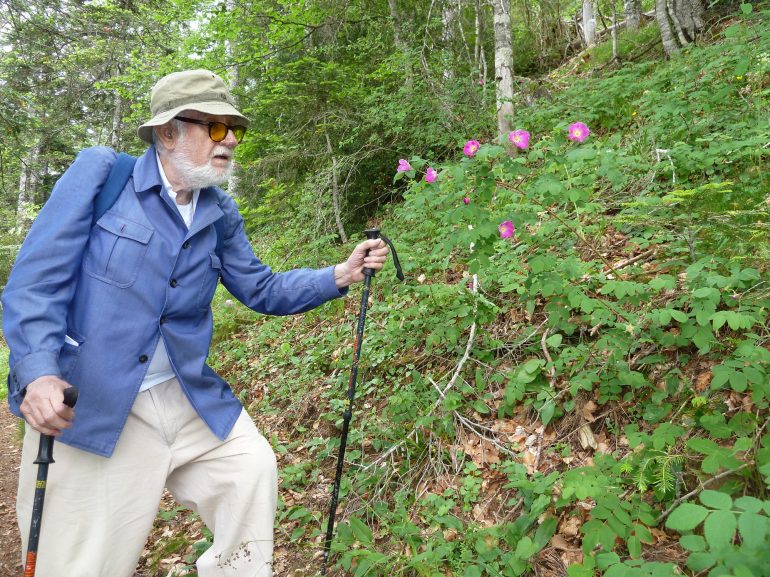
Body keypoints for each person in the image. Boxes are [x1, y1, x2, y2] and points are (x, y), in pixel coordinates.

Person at [2, 69, 389, 577]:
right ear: (167, 132)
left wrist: (340, 274)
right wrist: (39, 371)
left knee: (250, 469)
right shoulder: (102, 176)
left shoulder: (220, 213)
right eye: (213, 126)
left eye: (234, 129)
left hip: (185, 396)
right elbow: (35, 283)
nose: (229, 139)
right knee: (81, 562)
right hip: (96, 400)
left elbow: (262, 288)